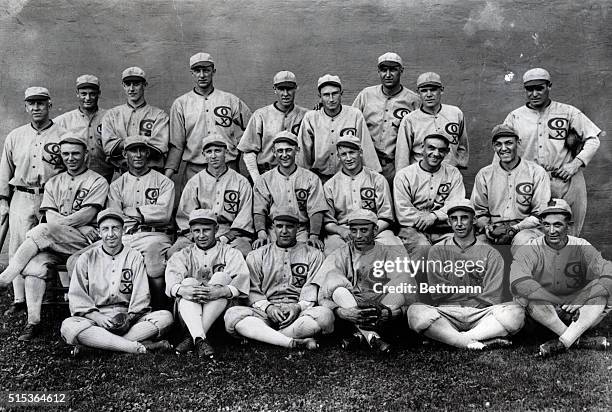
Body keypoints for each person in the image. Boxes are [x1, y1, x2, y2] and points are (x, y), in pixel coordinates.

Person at [0, 133, 108, 341]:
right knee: (34, 267)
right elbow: (49, 215)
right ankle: (33, 323)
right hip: (58, 241)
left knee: (43, 230)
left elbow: (87, 214)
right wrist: (79, 225)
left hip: (84, 244)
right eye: (66, 154)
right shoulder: (53, 182)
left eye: (76, 154)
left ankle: (6, 277)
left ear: (86, 155)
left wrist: (82, 226)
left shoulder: (97, 181)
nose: (70, 158)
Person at [407, 199, 525, 350]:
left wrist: (457, 291)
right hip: (447, 313)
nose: (459, 223)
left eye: (464, 217)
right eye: (454, 219)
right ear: (449, 222)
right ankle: (478, 343)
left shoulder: (491, 253)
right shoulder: (436, 250)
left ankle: (452, 340)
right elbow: (438, 292)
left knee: (516, 312)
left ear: (474, 220)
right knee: (415, 311)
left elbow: (491, 296)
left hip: (480, 314)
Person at [503, 68, 603, 236]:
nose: (534, 93)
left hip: (567, 179)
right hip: (532, 183)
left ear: (549, 86)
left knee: (570, 232)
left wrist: (575, 164)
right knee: (532, 233)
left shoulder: (568, 112)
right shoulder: (515, 117)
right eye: (529, 89)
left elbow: (593, 139)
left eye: (539, 88)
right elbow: (503, 151)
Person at [60, 209, 173, 355]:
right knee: (68, 326)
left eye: (115, 228)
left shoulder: (134, 256)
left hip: (127, 317)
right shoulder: (86, 258)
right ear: (99, 232)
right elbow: (77, 299)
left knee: (165, 317)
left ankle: (98, 347)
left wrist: (129, 318)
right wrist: (97, 317)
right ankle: (136, 348)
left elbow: (141, 296)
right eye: (105, 229)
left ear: (123, 230)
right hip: (97, 318)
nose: (110, 234)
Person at [510, 198, 612, 358]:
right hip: (545, 314)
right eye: (546, 225)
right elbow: (519, 282)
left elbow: (608, 272)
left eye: (557, 224)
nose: (551, 231)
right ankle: (575, 340)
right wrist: (554, 299)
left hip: (577, 312)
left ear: (569, 225)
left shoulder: (580, 244)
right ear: (541, 225)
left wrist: (584, 295)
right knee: (527, 296)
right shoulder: (531, 247)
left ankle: (562, 342)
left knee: (601, 292)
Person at [224, 207, 334, 350]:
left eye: (289, 227)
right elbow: (252, 290)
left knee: (326, 316)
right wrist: (269, 308)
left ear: (297, 228)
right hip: (264, 313)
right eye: (280, 226)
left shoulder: (314, 255)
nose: (284, 231)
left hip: (299, 313)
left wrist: (297, 307)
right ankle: (291, 341)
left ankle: (267, 337)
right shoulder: (257, 255)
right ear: (273, 228)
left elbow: (313, 289)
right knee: (232, 315)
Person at [0, 86, 66, 316]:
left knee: (54, 240)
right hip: (22, 194)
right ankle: (19, 299)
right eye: (32, 103)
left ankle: (60, 292)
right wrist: (3, 200)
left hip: (53, 196)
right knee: (18, 245)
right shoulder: (15, 136)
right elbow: (4, 171)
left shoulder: (62, 134)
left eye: (41, 102)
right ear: (26, 106)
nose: (36, 107)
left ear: (50, 104)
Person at [313, 209, 417, 354]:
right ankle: (373, 337)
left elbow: (409, 294)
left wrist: (391, 313)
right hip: (352, 307)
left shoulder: (390, 252)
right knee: (337, 287)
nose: (358, 236)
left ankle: (360, 336)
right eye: (354, 231)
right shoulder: (341, 253)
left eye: (364, 230)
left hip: (381, 307)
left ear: (375, 230)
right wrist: (341, 312)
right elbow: (323, 297)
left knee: (401, 288)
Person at [165, 209, 250, 358]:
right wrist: (184, 290)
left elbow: (241, 283)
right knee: (188, 282)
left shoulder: (230, 252)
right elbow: (171, 283)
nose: (201, 235)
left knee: (221, 277)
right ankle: (200, 339)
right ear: (191, 231)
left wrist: (220, 291)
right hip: (188, 311)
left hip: (220, 313)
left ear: (216, 230)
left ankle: (191, 337)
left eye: (206, 230)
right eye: (196, 231)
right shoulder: (183, 254)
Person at [165, 53, 252, 185]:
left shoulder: (230, 100)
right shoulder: (181, 104)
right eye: (197, 71)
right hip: (195, 170)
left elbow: (252, 129)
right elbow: (176, 144)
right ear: (192, 73)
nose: (202, 75)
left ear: (213, 71)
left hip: (228, 168)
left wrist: (238, 148)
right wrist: (166, 178)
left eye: (206, 70)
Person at [471, 124, 551, 254]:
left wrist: (515, 229)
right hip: (495, 228)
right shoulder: (484, 174)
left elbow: (540, 213)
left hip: (526, 229)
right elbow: (479, 211)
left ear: (518, 143)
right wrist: (488, 228)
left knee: (523, 244)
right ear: (493, 147)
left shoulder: (536, 172)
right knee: (475, 249)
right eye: (498, 144)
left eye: (508, 143)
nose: (503, 148)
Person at [172, 134, 253, 257]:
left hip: (229, 232)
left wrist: (226, 238)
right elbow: (184, 217)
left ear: (226, 152)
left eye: (218, 151)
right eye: (209, 152)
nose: (213, 156)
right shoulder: (195, 181)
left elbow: (244, 218)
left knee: (245, 252)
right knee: (174, 253)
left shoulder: (240, 182)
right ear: (203, 154)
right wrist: (197, 236)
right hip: (200, 231)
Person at [323, 135, 402, 255]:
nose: (348, 158)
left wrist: (370, 232)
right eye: (343, 154)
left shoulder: (377, 179)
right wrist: (341, 231)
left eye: (352, 152)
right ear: (338, 157)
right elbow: (328, 222)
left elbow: (386, 217)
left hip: (375, 230)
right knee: (331, 250)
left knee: (394, 248)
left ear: (360, 152)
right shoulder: (330, 185)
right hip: (346, 231)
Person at [297, 74, 381, 182]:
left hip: (349, 179)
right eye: (326, 95)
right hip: (319, 178)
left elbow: (366, 148)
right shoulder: (311, 118)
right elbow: (303, 154)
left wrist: (374, 178)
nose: (331, 99)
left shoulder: (354, 115)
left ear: (341, 94)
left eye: (335, 94)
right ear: (320, 96)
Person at [393, 134, 465, 260]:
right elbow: (403, 211)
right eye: (431, 148)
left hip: (443, 228)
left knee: (457, 249)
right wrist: (425, 219)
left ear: (447, 152)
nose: (436, 153)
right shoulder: (404, 175)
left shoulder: (453, 173)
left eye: (441, 150)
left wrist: (434, 216)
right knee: (423, 249)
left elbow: (457, 204)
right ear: (422, 148)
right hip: (412, 229)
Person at [253, 131, 328, 251]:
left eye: (288, 150)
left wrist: (314, 235)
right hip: (275, 230)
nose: (284, 155)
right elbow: (259, 210)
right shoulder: (264, 179)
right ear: (274, 152)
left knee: (309, 254)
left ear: (297, 150)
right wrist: (261, 233)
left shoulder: (311, 178)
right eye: (280, 151)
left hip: (301, 231)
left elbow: (316, 210)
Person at [352, 52, 420, 183]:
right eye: (384, 70)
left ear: (401, 71)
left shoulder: (413, 100)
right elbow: (350, 121)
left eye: (393, 70)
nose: (388, 75)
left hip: (397, 166)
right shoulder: (366, 95)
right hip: (367, 164)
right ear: (378, 71)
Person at [238, 70, 308, 182]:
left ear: (296, 88)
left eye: (289, 88)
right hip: (266, 174)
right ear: (274, 89)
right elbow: (248, 151)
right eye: (281, 89)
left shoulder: (306, 115)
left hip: (297, 177)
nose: (285, 93)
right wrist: (257, 179)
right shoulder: (261, 115)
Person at [395, 72, 469, 172]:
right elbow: (402, 156)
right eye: (424, 91)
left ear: (441, 90)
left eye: (433, 90)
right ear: (418, 93)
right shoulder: (410, 120)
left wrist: (459, 166)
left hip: (449, 174)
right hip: (420, 175)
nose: (429, 94)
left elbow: (462, 145)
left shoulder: (455, 113)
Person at [101, 67, 169, 172]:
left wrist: (123, 143)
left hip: (151, 172)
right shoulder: (112, 115)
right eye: (128, 84)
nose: (131, 89)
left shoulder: (159, 115)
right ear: (123, 86)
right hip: (121, 173)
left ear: (144, 85)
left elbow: (160, 147)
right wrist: (144, 141)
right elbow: (109, 147)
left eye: (136, 84)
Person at [54, 74, 114, 182]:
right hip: (73, 180)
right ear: (77, 94)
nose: (88, 98)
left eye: (92, 94)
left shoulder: (111, 117)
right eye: (83, 94)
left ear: (99, 94)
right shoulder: (62, 121)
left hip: (105, 177)